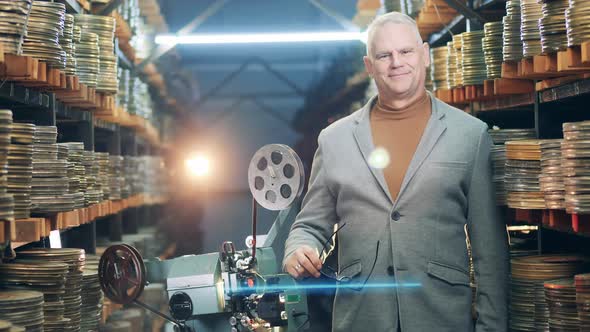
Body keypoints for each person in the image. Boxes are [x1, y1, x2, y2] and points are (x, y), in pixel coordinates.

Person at [283, 11, 509, 332]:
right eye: (384, 55)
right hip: (362, 318)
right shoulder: (335, 139)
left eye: (406, 51)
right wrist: (299, 248)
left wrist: (492, 327)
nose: (396, 63)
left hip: (442, 317)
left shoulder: (470, 135)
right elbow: (310, 224)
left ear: (425, 55)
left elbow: (490, 249)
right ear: (369, 65)